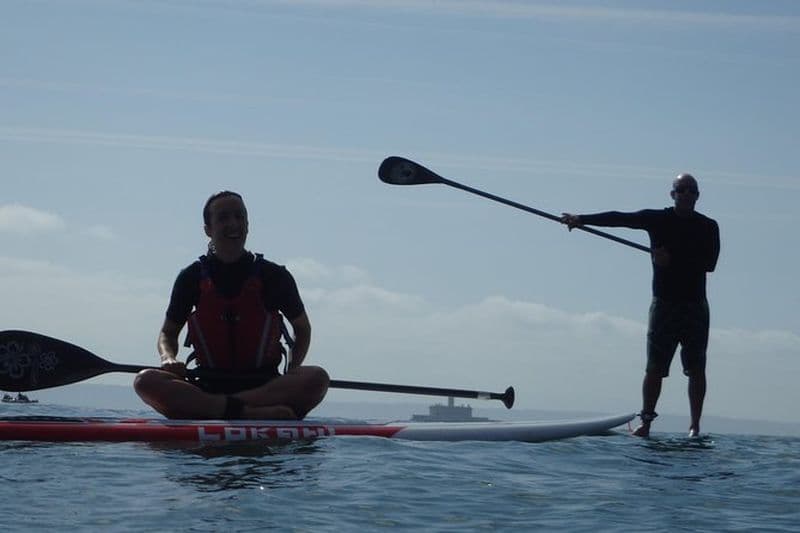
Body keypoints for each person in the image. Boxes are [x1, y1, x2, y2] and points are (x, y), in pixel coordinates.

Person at [134, 191, 329, 420]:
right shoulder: (191, 277)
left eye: (239, 216)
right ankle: (248, 413)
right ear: (208, 229)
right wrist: (168, 358)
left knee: (317, 378)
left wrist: (293, 369)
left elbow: (302, 328)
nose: (233, 223)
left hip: (265, 386)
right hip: (206, 383)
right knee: (145, 381)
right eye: (223, 217)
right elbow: (168, 332)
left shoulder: (275, 276)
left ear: (247, 224)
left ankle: (219, 408)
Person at [561, 173, 720, 438]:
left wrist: (671, 260)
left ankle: (694, 426)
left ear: (698, 196)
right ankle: (646, 422)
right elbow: (620, 218)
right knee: (655, 367)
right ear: (673, 194)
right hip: (664, 304)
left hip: (695, 305)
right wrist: (582, 220)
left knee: (697, 368)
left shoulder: (708, 226)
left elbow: (710, 264)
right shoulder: (657, 219)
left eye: (693, 191)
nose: (687, 195)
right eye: (682, 190)